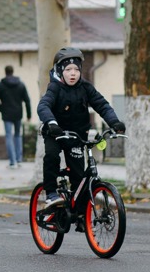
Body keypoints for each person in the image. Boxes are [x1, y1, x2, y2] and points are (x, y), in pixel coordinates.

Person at [37, 47, 125, 208]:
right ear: (60, 70)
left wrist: (114, 122)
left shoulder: (85, 87)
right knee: (52, 157)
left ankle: (78, 212)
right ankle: (51, 194)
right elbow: (43, 106)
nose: (73, 74)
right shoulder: (55, 87)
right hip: (55, 133)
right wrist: (51, 123)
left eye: (76, 70)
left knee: (78, 176)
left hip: (76, 136)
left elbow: (102, 105)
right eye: (68, 70)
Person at [0, 65, 32, 168]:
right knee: (18, 135)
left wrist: (2, 109)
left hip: (7, 115)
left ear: (5, 72)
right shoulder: (21, 84)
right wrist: (29, 115)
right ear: (12, 71)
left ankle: (12, 162)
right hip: (18, 114)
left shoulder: (1, 85)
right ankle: (19, 160)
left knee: (9, 136)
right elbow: (27, 100)